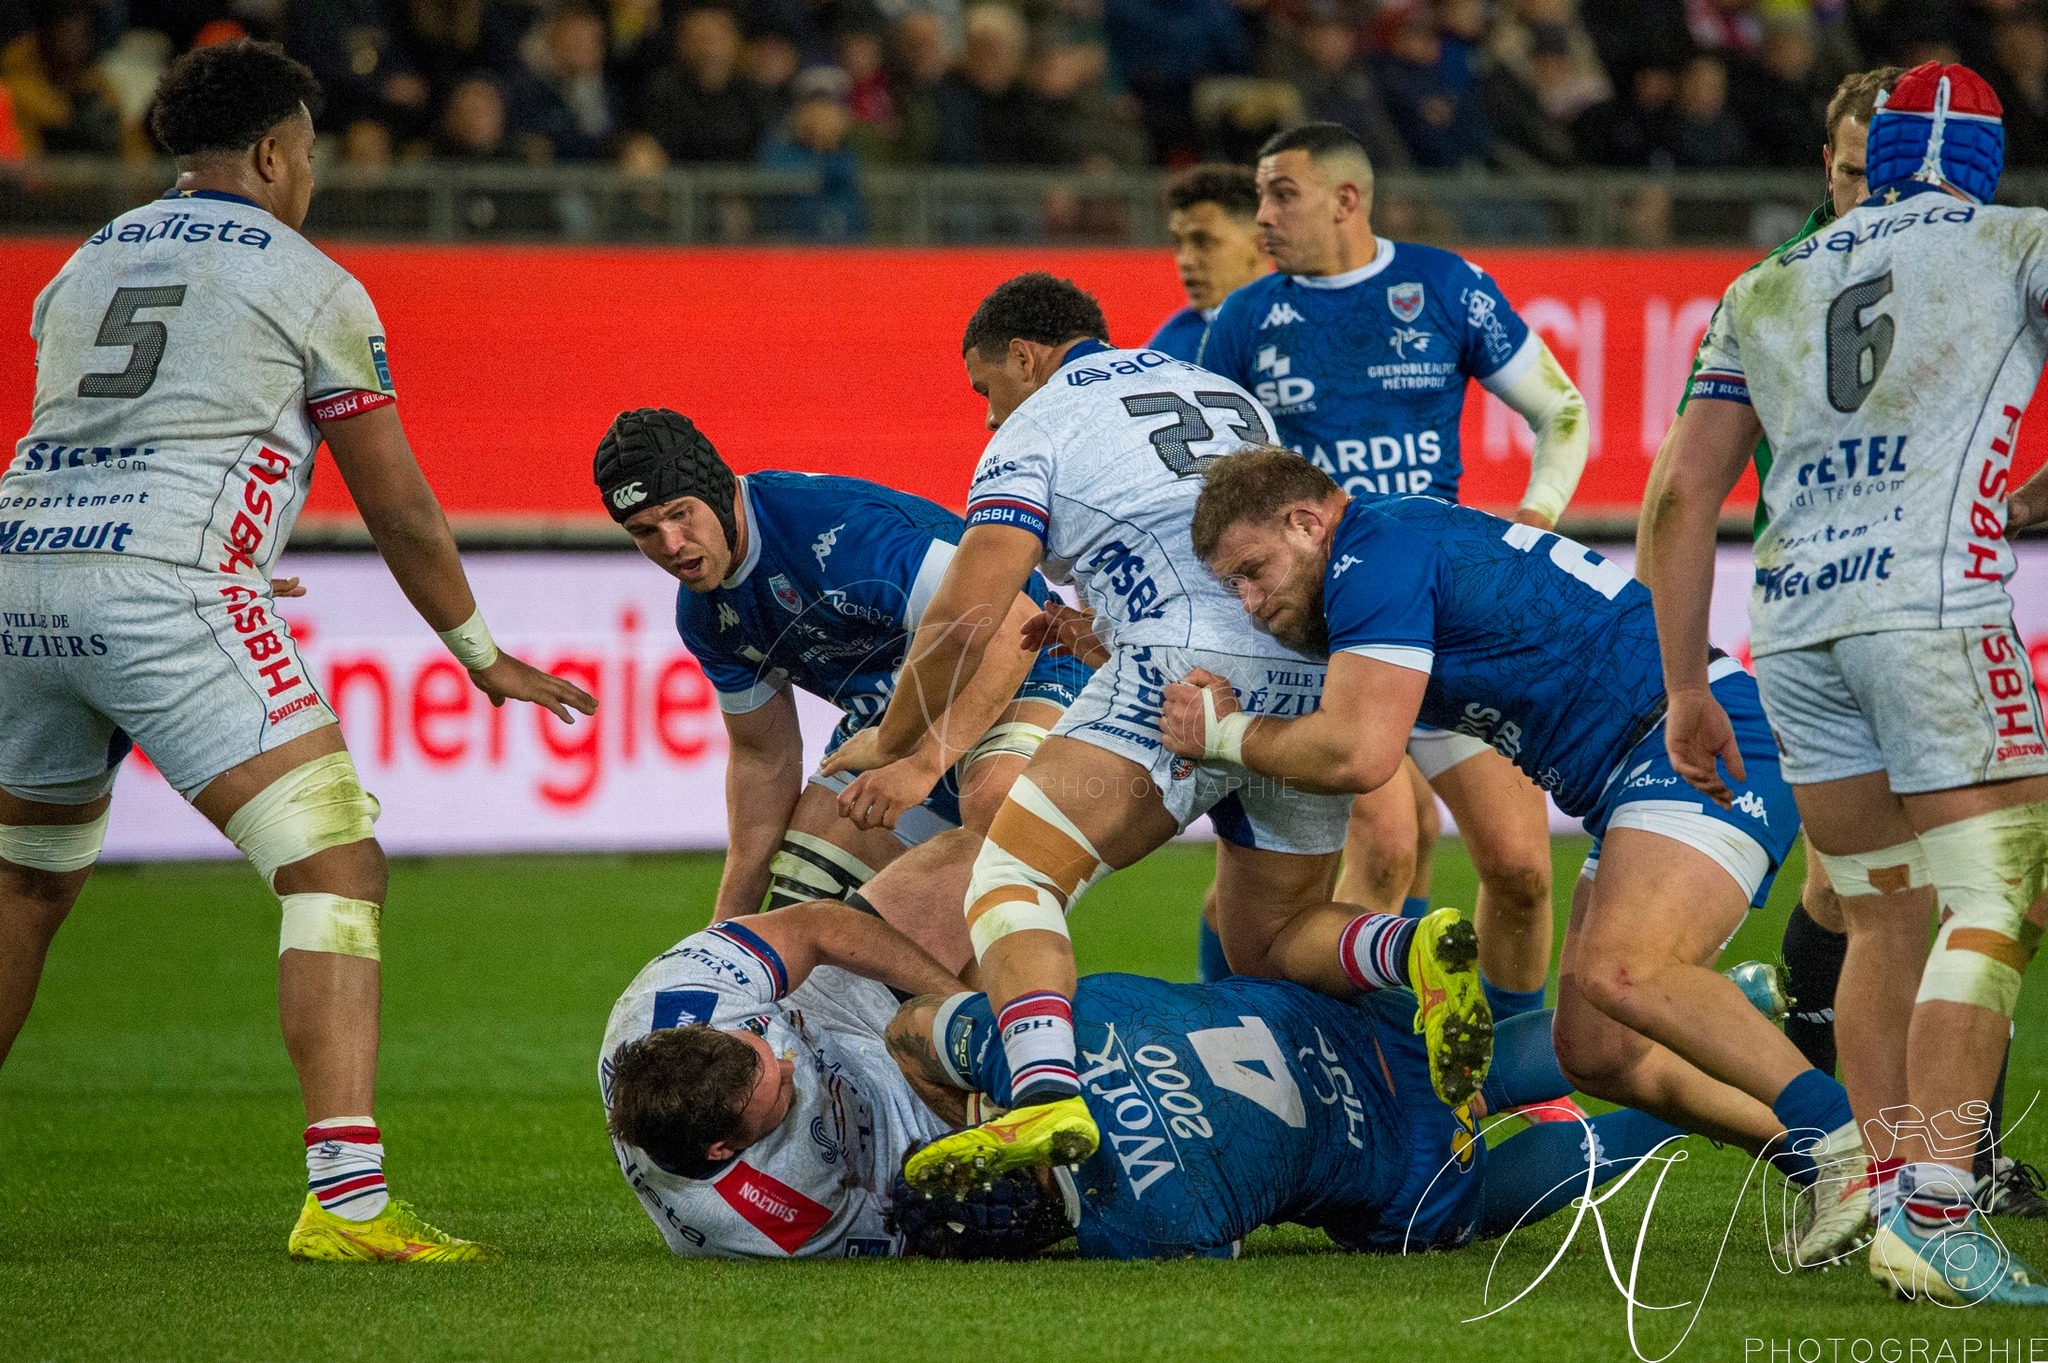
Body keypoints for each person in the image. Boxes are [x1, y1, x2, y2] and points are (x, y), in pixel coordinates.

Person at [0, 40, 596, 1262]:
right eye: (310, 156)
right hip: (167, 590)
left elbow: (115, 430)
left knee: (25, 880)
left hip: (18, 577)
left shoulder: (80, 263)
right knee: (335, 867)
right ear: (274, 154)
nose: (310, 177)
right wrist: (480, 654)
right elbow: (401, 511)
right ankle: (348, 1199)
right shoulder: (311, 280)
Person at [822, 273, 1493, 1195]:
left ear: (1026, 357)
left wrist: (899, 735)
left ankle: (1043, 1095)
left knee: (1014, 876)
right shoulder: (1219, 392)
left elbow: (967, 609)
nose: (988, 418)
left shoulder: (1037, 424)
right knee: (1272, 933)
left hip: (1179, 674)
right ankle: (1408, 949)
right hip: (1302, 659)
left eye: (987, 390)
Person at [1160, 447, 1873, 1270]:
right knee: (1595, 1048)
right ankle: (1827, 1159)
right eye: (1233, 588)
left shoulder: (1370, 559)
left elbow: (1359, 753)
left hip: (1689, 743)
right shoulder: (1382, 548)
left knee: (1624, 971)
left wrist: (1220, 736)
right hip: (1635, 767)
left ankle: (1853, 1146)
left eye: (1253, 572)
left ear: (1307, 522)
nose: (1250, 604)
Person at [1642, 61, 2048, 1305]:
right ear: (1983, 157)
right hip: (1929, 607)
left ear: (1869, 160)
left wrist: (1683, 687)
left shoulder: (1762, 281)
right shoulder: (2016, 239)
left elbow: (1674, 498)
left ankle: (1883, 1181)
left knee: (1879, 908)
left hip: (1796, 625)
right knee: (1995, 884)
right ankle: (1935, 1204)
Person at [1198, 122, 1590, 1033]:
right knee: (1382, 842)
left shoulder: (1446, 288)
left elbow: (1562, 412)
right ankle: (1351, 1078)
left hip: (1445, 620)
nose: (1261, 216)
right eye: (1259, 195)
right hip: (1323, 638)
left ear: (1347, 199)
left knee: (1524, 870)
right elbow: (1208, 489)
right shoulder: (1246, 322)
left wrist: (1534, 520)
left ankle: (1512, 1086)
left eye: (1280, 193)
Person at [592, 408, 1088, 925]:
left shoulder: (829, 528)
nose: (672, 545)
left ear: (716, 491)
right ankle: (942, 1003)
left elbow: (1011, 624)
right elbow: (764, 760)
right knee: (804, 920)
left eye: (681, 514)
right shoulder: (703, 616)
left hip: (1034, 669)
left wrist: (920, 765)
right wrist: (725, 930)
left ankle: (1017, 1001)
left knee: (995, 810)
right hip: (899, 724)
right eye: (645, 531)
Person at [884, 974, 1687, 1260]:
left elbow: (1221, 1245)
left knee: (1497, 1186)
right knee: (1492, 1062)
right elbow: (913, 1025)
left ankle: (1706, 1111)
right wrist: (986, 1097)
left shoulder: (1144, 1230)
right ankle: (1726, 1011)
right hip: (1363, 1023)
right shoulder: (1047, 1024)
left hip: (1405, 1169)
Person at [601, 886, 968, 1257]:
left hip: (837, 1012)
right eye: (779, 1094)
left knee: (955, 859)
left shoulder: (674, 996)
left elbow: (819, 924)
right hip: (906, 1140)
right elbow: (918, 1233)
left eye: (761, 1046)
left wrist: (969, 1008)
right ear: (723, 1149)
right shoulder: (766, 1213)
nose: (789, 1066)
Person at [1145, 165, 1270, 366]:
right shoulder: (1166, 351)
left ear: (1262, 246)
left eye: (1203, 242)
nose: (1185, 260)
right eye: (1178, 243)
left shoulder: (1313, 325)